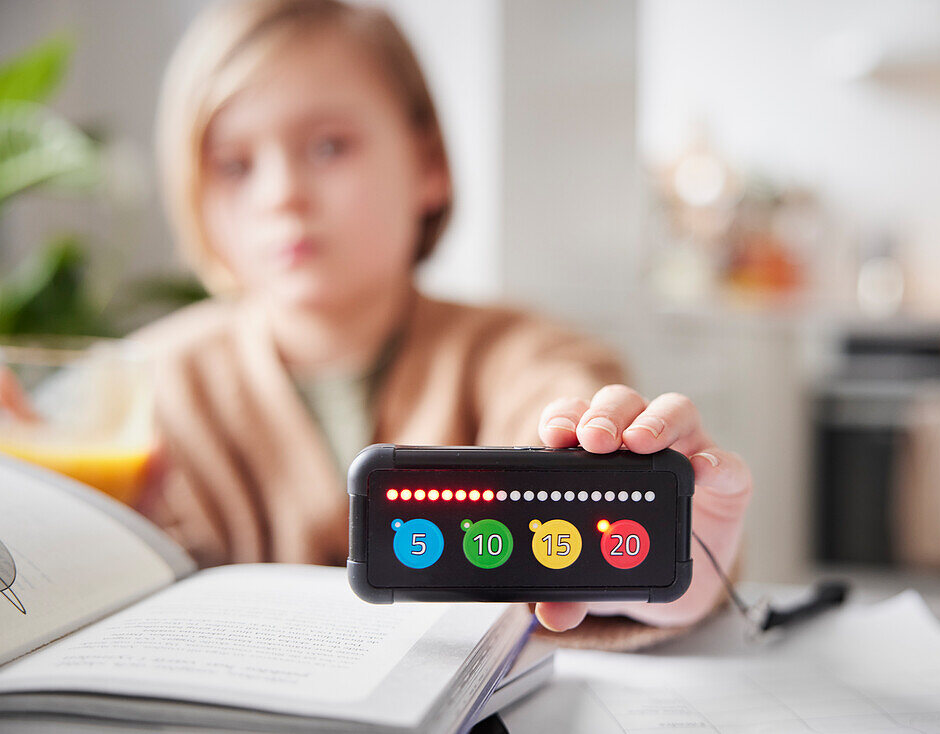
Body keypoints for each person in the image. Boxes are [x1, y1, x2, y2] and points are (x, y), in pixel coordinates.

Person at [132, 0, 752, 639]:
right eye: (234, 164)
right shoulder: (140, 386)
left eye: (328, 146)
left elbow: (562, 414)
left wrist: (654, 574)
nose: (280, 193)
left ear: (428, 164)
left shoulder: (525, 356)